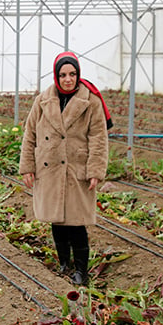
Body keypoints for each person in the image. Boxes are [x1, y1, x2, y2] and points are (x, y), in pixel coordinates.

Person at [19, 51, 111, 285]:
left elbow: (99, 137)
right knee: (57, 221)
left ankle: (81, 271)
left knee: (77, 222)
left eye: (72, 74)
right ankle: (63, 264)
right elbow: (30, 134)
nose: (68, 79)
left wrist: (95, 170)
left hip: (76, 168)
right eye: (63, 74)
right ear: (56, 76)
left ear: (78, 75)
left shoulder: (91, 101)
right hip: (49, 168)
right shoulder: (42, 100)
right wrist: (28, 166)